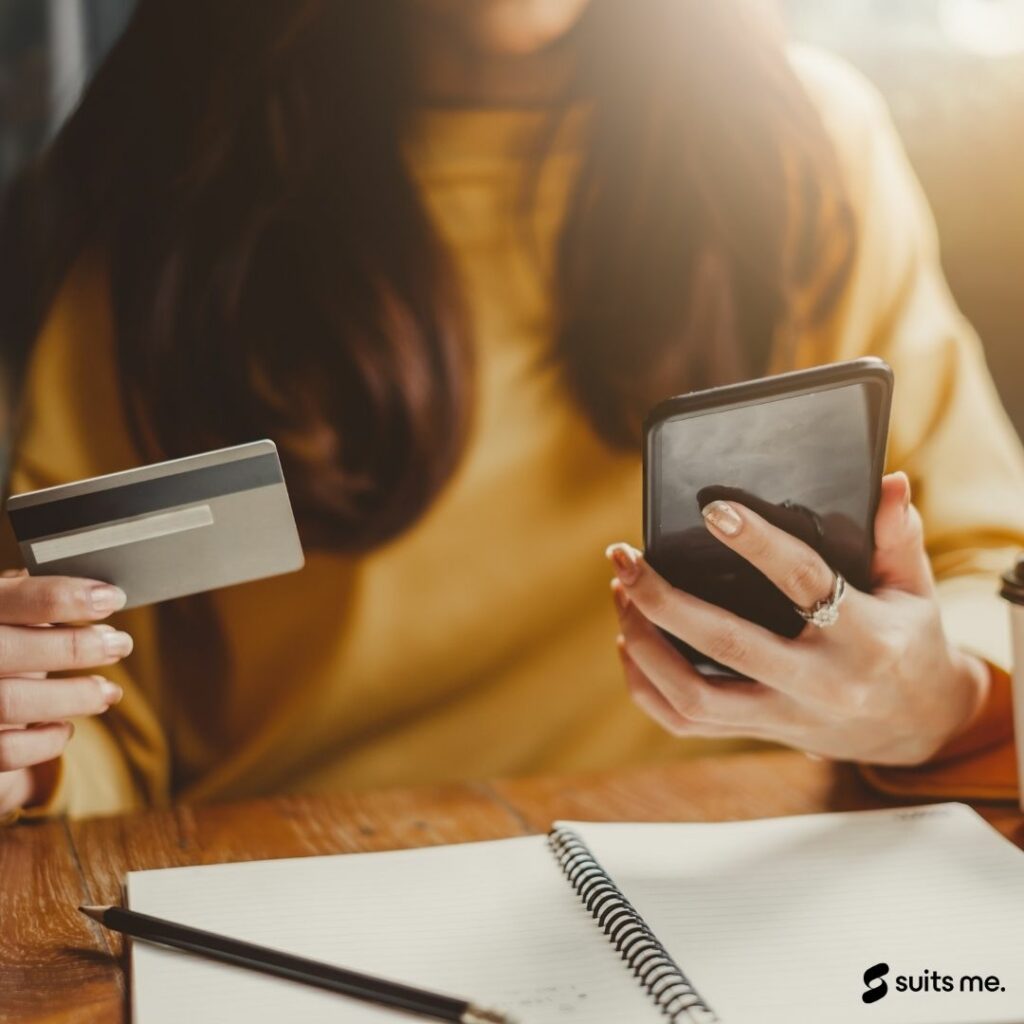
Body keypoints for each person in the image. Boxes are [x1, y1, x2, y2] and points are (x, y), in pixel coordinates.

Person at [0, 0, 1021, 822]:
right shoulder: (163, 200)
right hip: (280, 887)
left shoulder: (808, 148)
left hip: (735, 874)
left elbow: (989, 566)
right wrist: (29, 758)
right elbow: (97, 714)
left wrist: (937, 702)